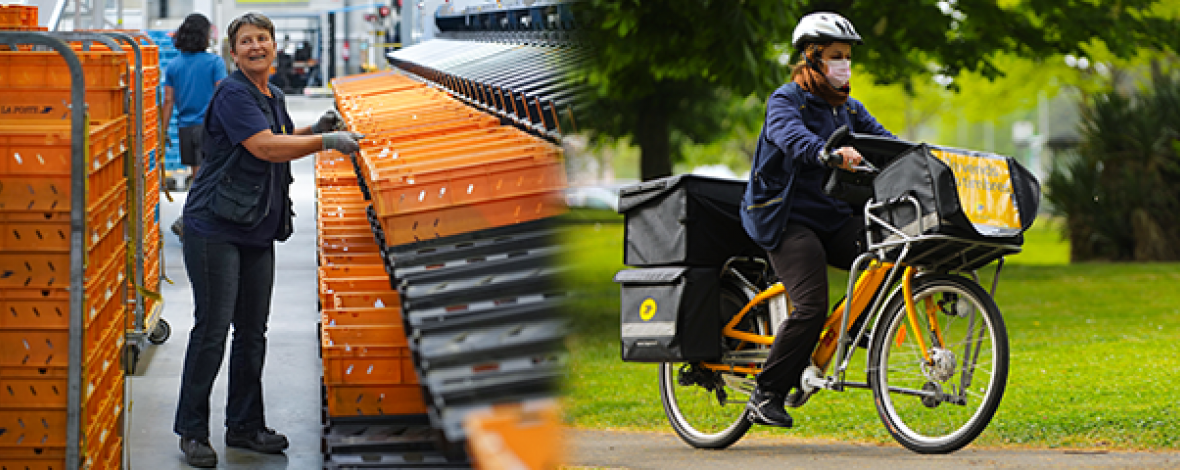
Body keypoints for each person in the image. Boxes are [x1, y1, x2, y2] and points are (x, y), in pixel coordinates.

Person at [172, 11, 362, 468]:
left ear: (274, 46)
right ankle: (192, 431)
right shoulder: (234, 93)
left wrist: (313, 130)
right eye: (246, 41)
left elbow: (277, 136)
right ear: (233, 53)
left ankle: (244, 425)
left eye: (263, 39)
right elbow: (263, 147)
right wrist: (328, 142)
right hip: (216, 228)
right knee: (212, 332)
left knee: (252, 333)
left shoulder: (271, 94)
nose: (256, 47)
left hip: (256, 226)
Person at [739, 12, 895, 429]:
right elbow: (790, 137)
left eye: (847, 57)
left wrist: (925, 157)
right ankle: (766, 393)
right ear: (811, 58)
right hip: (786, 219)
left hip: (835, 217)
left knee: (893, 251)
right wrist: (827, 152)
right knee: (810, 306)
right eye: (836, 56)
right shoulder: (786, 99)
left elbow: (885, 143)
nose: (844, 65)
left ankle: (844, 335)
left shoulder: (850, 109)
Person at [163, 13, 227, 238]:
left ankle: (195, 220)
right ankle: (191, 221)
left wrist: (162, 132)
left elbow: (168, 101)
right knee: (207, 180)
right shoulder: (214, 63)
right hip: (210, 128)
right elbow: (223, 95)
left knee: (198, 177)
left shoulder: (174, 65)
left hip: (186, 129)